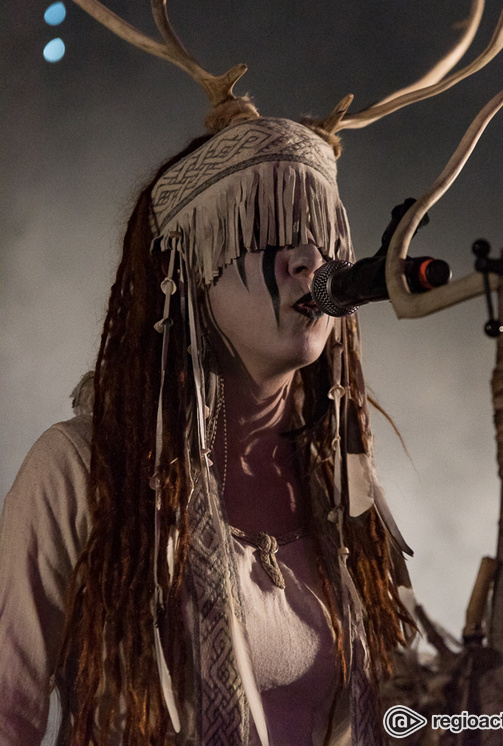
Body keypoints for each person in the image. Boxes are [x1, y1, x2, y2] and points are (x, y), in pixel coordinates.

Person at [0, 110, 414, 746]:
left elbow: (399, 713)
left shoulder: (346, 485)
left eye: (325, 236)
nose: (310, 261)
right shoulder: (80, 469)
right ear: (188, 269)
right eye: (267, 229)